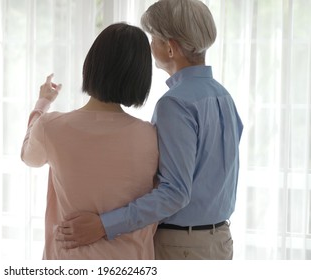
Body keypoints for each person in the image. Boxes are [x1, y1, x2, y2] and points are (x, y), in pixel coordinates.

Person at [57, 0, 244, 260]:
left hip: (182, 247)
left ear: (170, 48)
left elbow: (175, 193)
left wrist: (103, 225)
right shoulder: (223, 96)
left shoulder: (175, 103)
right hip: (220, 240)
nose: (149, 45)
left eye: (153, 38)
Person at [21, 23, 159, 259]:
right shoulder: (150, 136)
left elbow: (28, 156)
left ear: (92, 65)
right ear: (141, 77)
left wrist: (42, 103)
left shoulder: (51, 127)